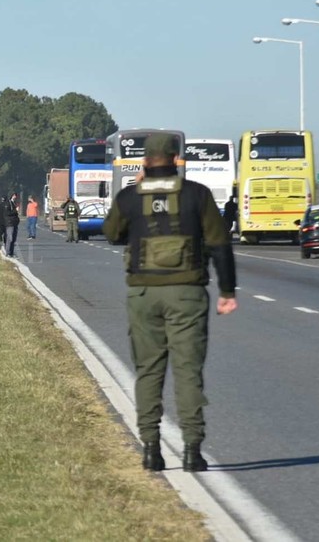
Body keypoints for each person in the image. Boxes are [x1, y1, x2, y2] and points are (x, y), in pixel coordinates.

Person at [103, 132, 238, 473]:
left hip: (144, 295)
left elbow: (112, 233)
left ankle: (151, 449)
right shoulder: (197, 194)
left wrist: (136, 192)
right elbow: (219, 243)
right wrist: (227, 291)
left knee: (149, 371)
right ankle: (192, 451)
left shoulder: (130, 197)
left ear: (145, 161)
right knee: (188, 371)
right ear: (177, 159)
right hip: (187, 294)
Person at [4, 193, 20, 258]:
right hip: (10, 223)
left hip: (14, 223)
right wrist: (15, 210)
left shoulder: (14, 203)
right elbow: (7, 213)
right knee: (10, 238)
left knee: (13, 239)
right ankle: (7, 252)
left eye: (15, 195)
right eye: (13, 195)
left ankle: (11, 253)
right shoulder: (8, 203)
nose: (15, 197)